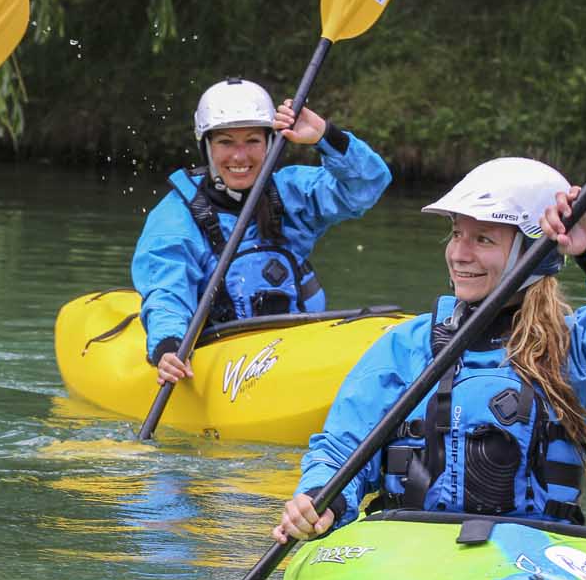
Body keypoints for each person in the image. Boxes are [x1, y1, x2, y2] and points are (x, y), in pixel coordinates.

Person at [272, 157, 586, 541]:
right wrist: (320, 498)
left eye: (483, 239)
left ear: (532, 253)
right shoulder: (404, 346)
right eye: (457, 234)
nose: (460, 254)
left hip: (533, 559)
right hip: (405, 552)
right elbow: (343, 446)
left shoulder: (576, 350)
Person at [131, 76, 392, 386]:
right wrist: (169, 346)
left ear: (270, 144)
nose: (240, 156)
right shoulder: (176, 217)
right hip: (220, 355)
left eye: (253, 141)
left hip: (296, 346)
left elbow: (367, 185)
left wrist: (325, 136)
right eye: (226, 142)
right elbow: (167, 291)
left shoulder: (290, 192)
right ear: (206, 147)